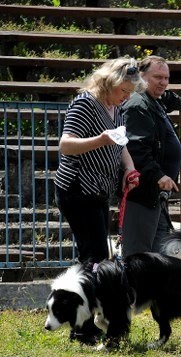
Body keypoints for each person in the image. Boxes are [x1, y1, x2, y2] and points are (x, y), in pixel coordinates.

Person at [55, 57, 143, 264]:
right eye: (123, 90)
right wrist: (100, 140)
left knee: (97, 254)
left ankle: (87, 293)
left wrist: (129, 168)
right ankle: (82, 294)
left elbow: (120, 143)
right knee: (95, 255)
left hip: (99, 190)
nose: (127, 96)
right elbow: (65, 145)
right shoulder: (85, 104)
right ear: (109, 82)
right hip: (78, 189)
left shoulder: (117, 107)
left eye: (130, 92)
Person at [121, 55, 181, 256]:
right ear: (140, 77)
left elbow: (168, 97)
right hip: (142, 192)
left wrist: (180, 102)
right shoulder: (137, 105)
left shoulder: (153, 100)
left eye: (166, 78)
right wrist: (159, 175)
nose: (164, 82)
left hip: (155, 195)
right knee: (139, 256)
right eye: (158, 77)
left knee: (158, 255)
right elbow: (136, 149)